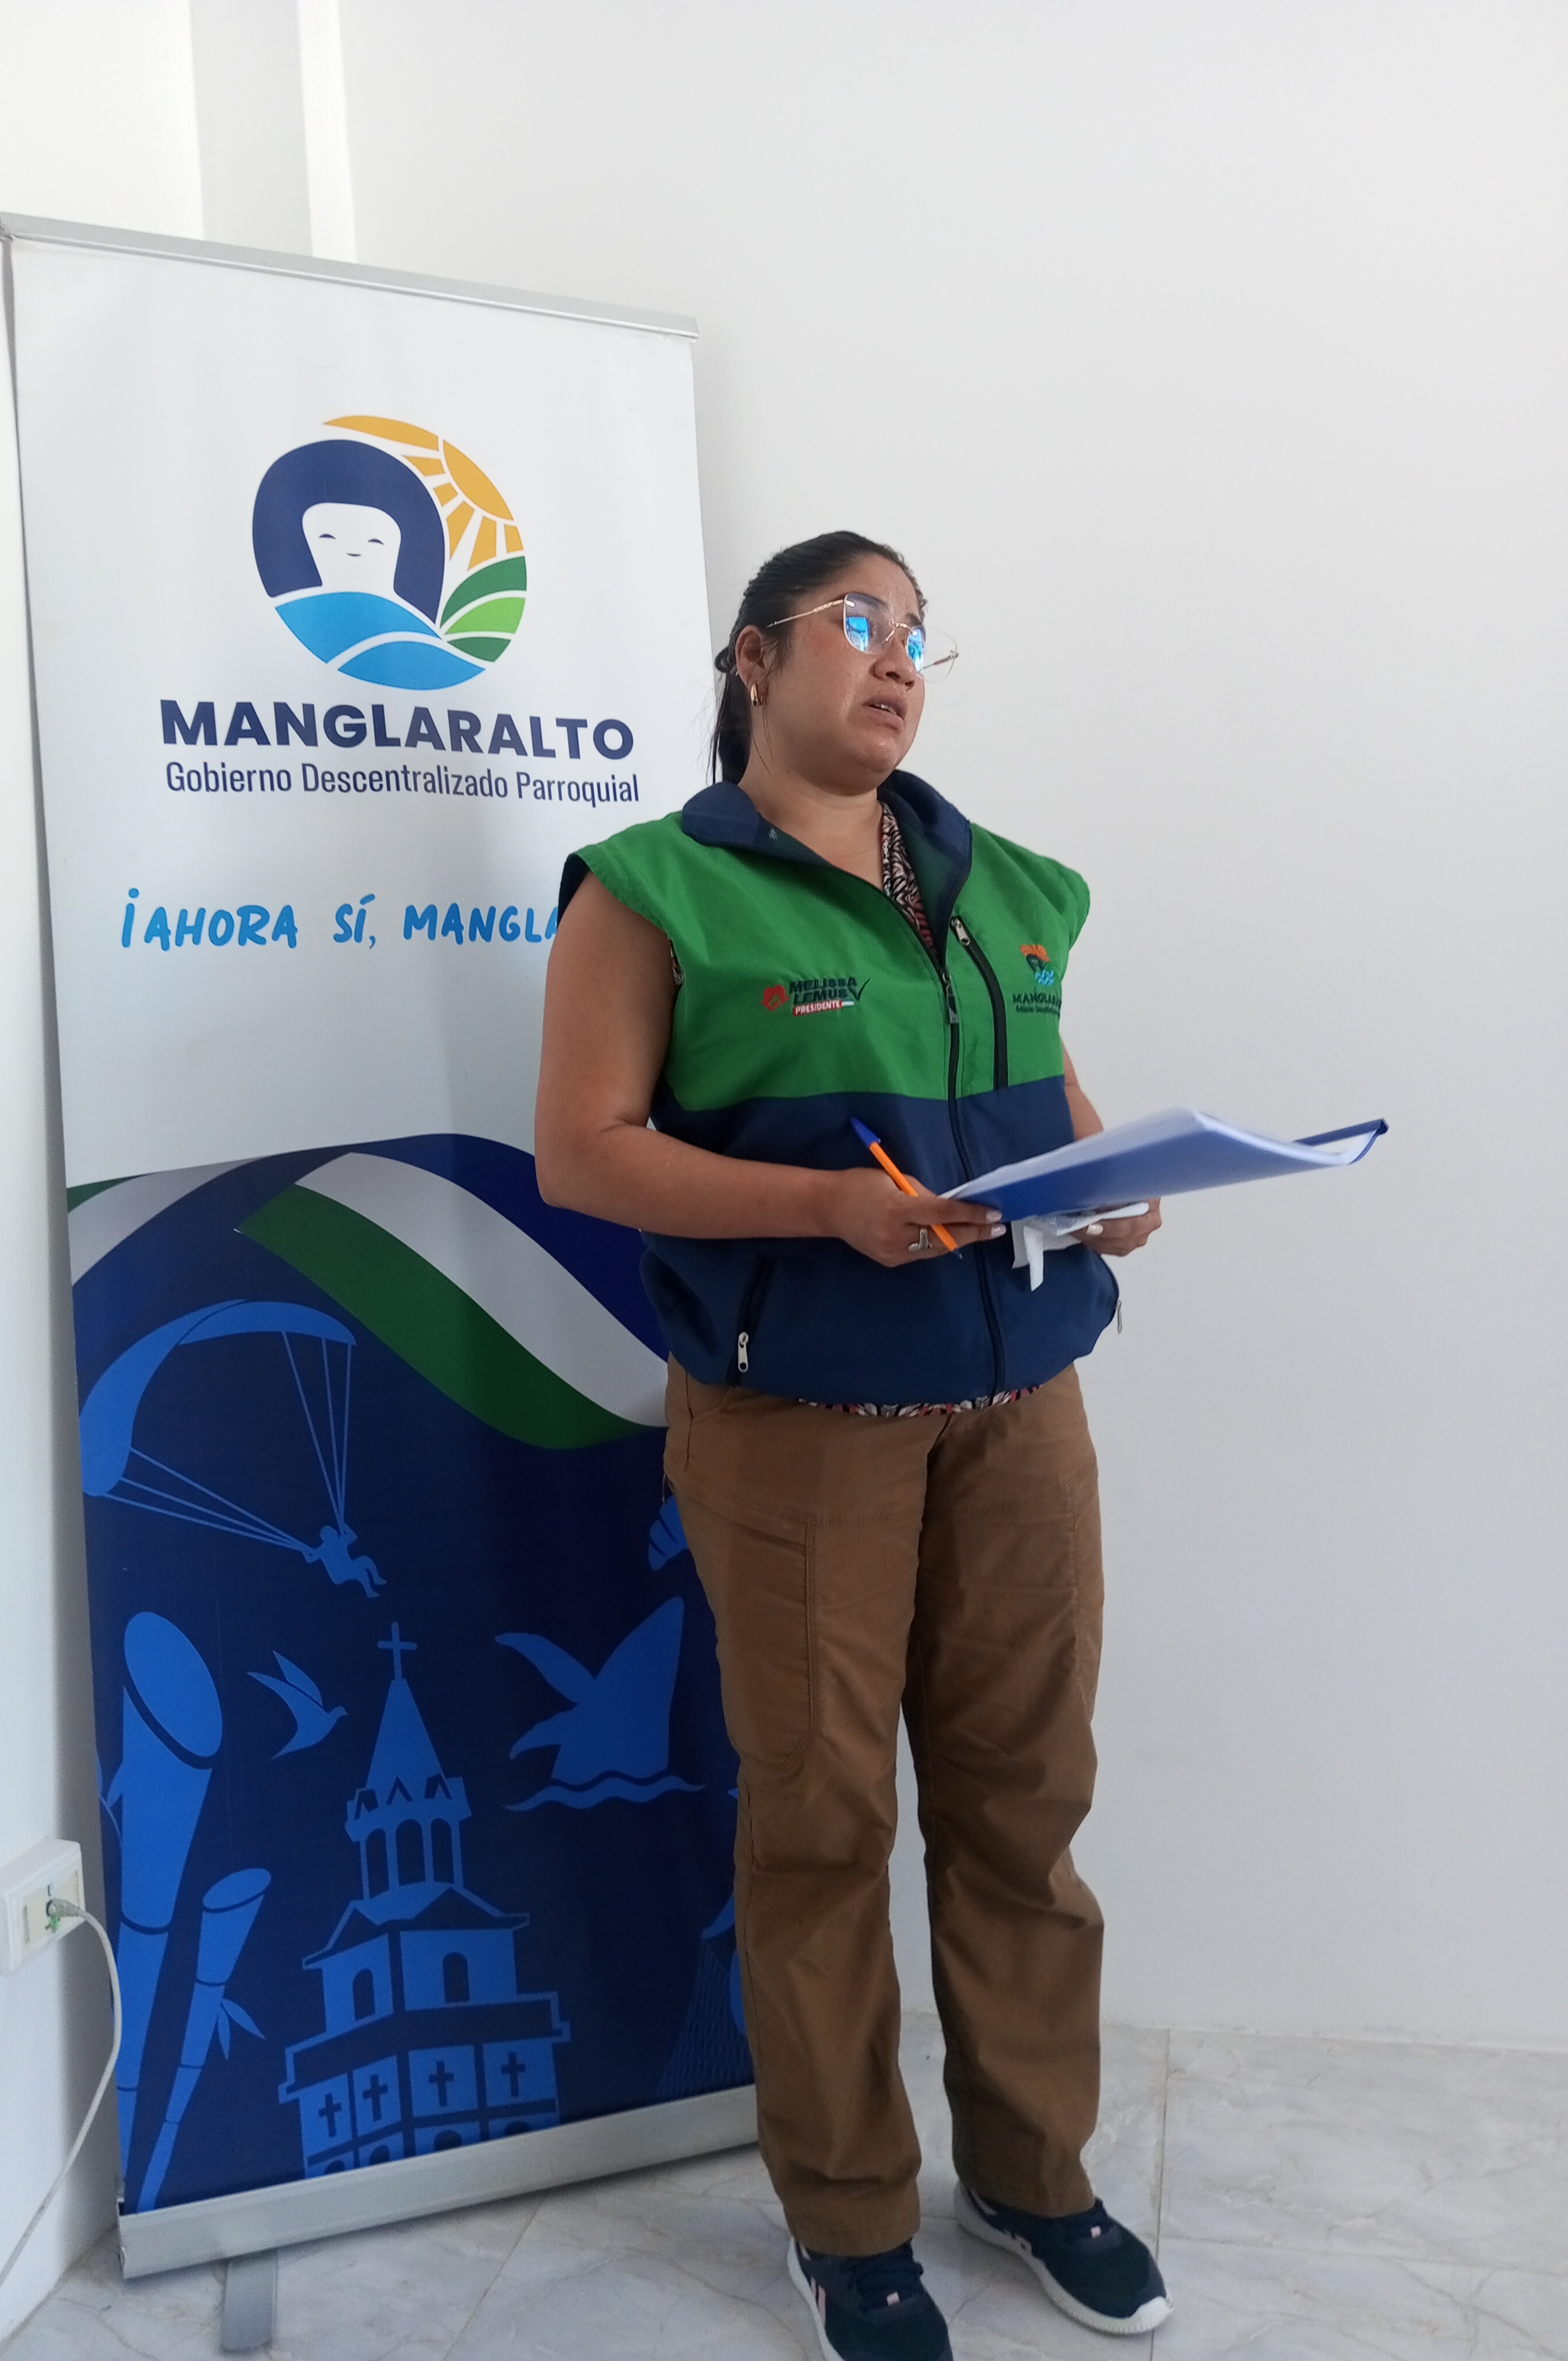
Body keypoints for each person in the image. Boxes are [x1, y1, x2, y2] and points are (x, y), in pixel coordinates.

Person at [534, 531, 1167, 2360]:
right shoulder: (654, 891)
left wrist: (1119, 1190)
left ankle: (1034, 2177)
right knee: (822, 1826)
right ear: (754, 659)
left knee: (1026, 1803)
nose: (897, 661)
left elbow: (1056, 1107)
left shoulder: (1006, 884)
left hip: (1022, 1417)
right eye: (859, 624)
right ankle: (851, 2225)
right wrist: (825, 1211)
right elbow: (585, 1151)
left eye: (918, 638)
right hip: (803, 1431)